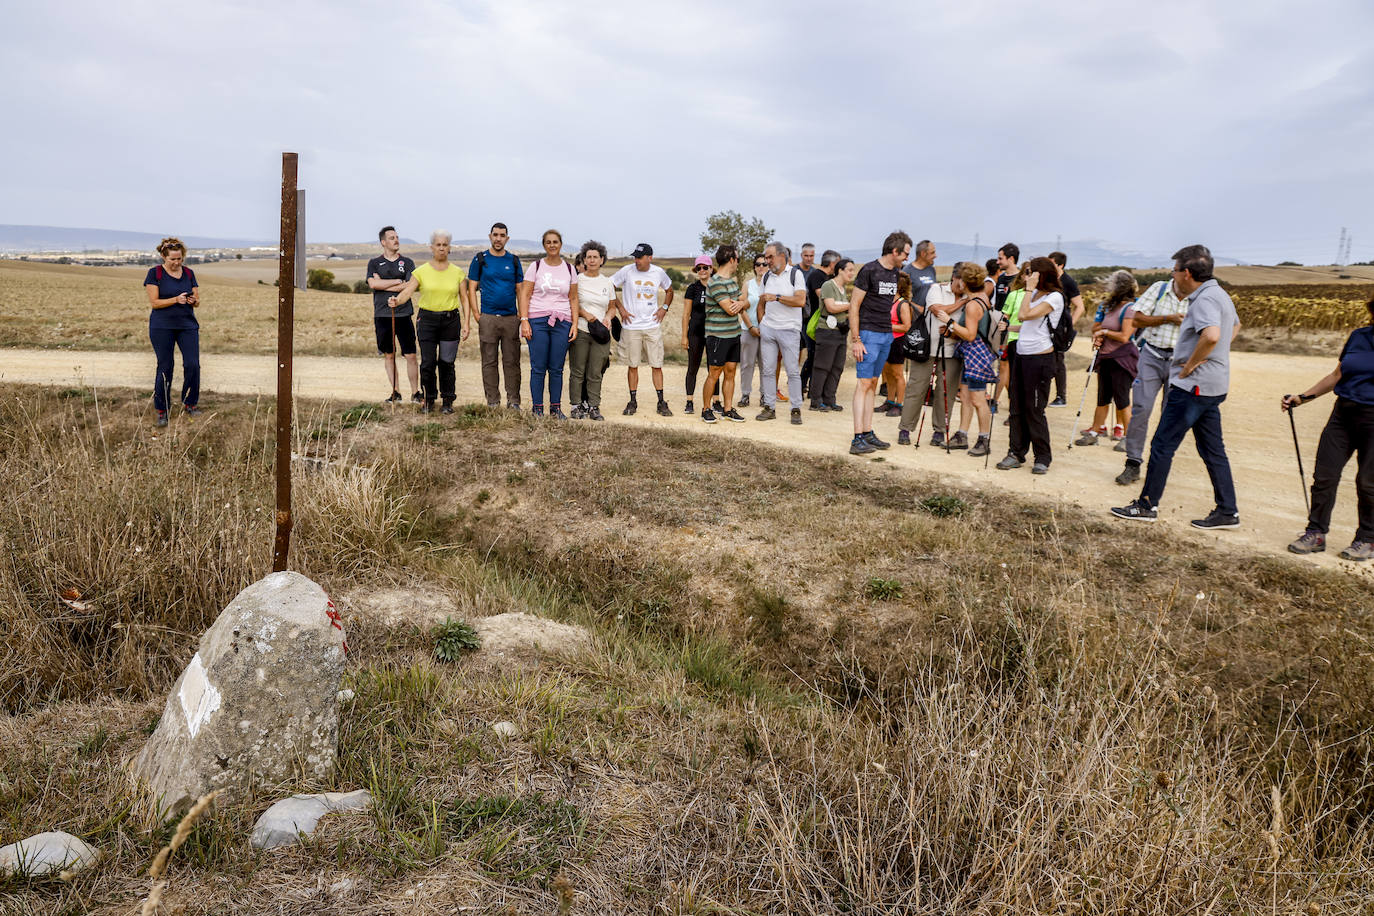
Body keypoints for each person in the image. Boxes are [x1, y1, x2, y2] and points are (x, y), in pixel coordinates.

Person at [1111, 245, 1241, 528]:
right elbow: (1235, 328)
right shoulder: (1220, 295)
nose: (1172, 274)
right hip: (1212, 386)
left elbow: (1212, 334)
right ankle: (1228, 511)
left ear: (1186, 273)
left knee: (1162, 445)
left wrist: (1193, 363)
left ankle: (1147, 505)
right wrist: (1215, 357)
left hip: (1193, 386)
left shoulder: (1203, 299)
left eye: (1175, 269)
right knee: (1212, 449)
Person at [1282, 296, 1374, 561]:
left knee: (1368, 483)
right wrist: (1302, 397)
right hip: (1343, 414)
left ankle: (1367, 539)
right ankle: (1315, 533)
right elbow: (1337, 375)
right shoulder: (1359, 336)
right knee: (1325, 475)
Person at [1114, 271, 1190, 485]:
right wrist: (1168, 318)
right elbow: (1137, 319)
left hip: (1180, 361)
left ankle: (1159, 466)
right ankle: (1133, 463)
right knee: (1141, 408)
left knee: (1170, 415)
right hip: (1152, 354)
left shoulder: (1200, 296)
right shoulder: (1160, 289)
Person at [996, 256, 1063, 474]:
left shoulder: (1055, 298)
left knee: (1034, 409)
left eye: (1031, 272)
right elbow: (1026, 325)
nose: (1026, 277)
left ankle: (1042, 457)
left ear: (1041, 274)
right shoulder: (1032, 294)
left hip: (1040, 359)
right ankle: (1016, 452)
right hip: (1022, 355)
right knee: (1016, 407)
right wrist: (1007, 327)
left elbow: (1025, 315)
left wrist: (1027, 291)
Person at [848, 231, 913, 454]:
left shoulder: (895, 274)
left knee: (873, 383)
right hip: (868, 334)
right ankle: (857, 439)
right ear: (894, 251)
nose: (907, 258)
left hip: (886, 335)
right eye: (905, 253)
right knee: (863, 384)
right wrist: (856, 339)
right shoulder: (869, 270)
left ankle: (867, 432)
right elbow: (854, 306)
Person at [391, 230, 468, 414]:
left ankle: (448, 400)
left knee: (447, 362)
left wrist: (467, 324)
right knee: (427, 362)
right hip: (427, 321)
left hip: (451, 320)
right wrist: (397, 300)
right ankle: (429, 399)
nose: (441, 248)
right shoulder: (421, 272)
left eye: (445, 245)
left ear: (449, 248)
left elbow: (464, 299)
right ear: (432, 247)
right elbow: (407, 292)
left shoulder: (458, 272)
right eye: (438, 245)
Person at [898, 262, 961, 447]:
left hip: (952, 349)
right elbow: (937, 309)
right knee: (916, 388)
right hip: (926, 348)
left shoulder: (970, 296)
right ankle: (905, 428)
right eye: (962, 280)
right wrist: (963, 302)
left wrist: (952, 333)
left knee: (945, 392)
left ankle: (939, 431)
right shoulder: (937, 289)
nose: (964, 285)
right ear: (954, 277)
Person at [517, 229, 578, 418]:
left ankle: (555, 408)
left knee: (557, 368)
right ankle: (537, 409)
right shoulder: (536, 267)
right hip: (537, 320)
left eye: (555, 242)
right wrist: (524, 321)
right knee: (538, 367)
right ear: (544, 245)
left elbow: (573, 298)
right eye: (548, 242)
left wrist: (574, 323)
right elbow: (525, 294)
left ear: (561, 244)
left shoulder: (569, 269)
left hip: (562, 322)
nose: (552, 245)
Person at [1075, 270, 1139, 446]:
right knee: (1103, 397)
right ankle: (1095, 432)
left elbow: (1125, 336)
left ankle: (1129, 438)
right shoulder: (1111, 306)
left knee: (1122, 399)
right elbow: (1098, 327)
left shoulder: (1130, 309)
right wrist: (1100, 335)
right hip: (1106, 357)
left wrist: (1104, 332)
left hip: (1122, 359)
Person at [611, 243, 674, 416]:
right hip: (631, 327)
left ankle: (661, 402)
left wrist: (664, 308)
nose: (636, 261)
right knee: (633, 365)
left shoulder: (658, 272)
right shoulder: (626, 271)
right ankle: (632, 401)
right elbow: (610, 287)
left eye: (640, 257)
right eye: (635, 257)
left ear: (649, 258)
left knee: (657, 365)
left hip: (652, 326)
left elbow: (669, 290)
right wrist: (621, 309)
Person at [143, 237, 201, 427]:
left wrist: (193, 301)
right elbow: (155, 303)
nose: (177, 263)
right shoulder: (155, 273)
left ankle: (190, 403)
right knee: (165, 367)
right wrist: (176, 300)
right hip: (162, 326)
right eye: (173, 260)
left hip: (187, 325)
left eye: (179, 259)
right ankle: (162, 410)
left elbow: (197, 300)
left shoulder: (189, 273)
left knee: (193, 365)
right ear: (163, 257)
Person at [943, 261, 999, 456]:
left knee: (977, 398)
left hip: (975, 354)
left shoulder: (973, 305)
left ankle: (984, 439)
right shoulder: (983, 297)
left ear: (964, 283)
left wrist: (949, 322)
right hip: (977, 353)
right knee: (966, 396)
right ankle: (962, 435)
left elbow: (970, 335)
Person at [468, 223, 524, 409]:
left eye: (502, 235)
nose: (498, 238)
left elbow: (520, 291)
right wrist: (477, 314)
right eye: (495, 235)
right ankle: (493, 401)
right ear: (490, 236)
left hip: (510, 319)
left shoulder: (514, 261)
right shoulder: (480, 259)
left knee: (512, 361)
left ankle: (513, 401)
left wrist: (522, 317)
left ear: (507, 238)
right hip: (488, 318)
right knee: (489, 361)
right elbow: (471, 288)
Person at [754, 241, 809, 424]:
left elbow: (800, 301)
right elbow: (761, 303)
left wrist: (777, 297)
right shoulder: (767, 277)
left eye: (770, 257)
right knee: (768, 370)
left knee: (792, 371)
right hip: (769, 329)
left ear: (781, 256)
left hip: (789, 329)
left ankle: (795, 409)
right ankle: (769, 407)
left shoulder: (796, 274)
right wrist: (762, 323)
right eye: (765, 257)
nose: (766, 261)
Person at [365, 226, 420, 404]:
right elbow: (373, 285)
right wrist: (398, 281)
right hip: (382, 314)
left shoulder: (408, 262)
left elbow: (412, 284)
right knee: (389, 354)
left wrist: (385, 284)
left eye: (397, 237)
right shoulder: (374, 262)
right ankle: (395, 391)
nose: (396, 240)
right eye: (391, 238)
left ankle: (415, 392)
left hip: (403, 314)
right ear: (383, 242)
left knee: (410, 354)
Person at [699, 244, 749, 423]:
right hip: (717, 336)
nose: (738, 263)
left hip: (733, 334)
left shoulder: (732, 281)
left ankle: (727, 409)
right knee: (714, 373)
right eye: (737, 259)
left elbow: (745, 302)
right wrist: (740, 303)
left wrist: (741, 303)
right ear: (732, 260)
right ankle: (706, 409)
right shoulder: (716, 282)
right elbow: (730, 309)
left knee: (730, 372)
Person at [568, 240, 616, 421]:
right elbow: (572, 302)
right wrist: (586, 315)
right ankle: (576, 405)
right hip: (580, 329)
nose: (592, 260)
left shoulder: (607, 283)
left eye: (596, 257)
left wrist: (608, 318)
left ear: (602, 259)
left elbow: (612, 307)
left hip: (601, 332)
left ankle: (593, 406)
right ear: (584, 259)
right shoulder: (577, 280)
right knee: (578, 370)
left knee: (595, 371)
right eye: (589, 257)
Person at [810, 257, 854, 412]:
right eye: (849, 270)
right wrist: (851, 305)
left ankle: (830, 399)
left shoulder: (843, 290)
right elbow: (831, 307)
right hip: (827, 331)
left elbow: (839, 307)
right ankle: (816, 400)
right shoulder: (828, 285)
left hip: (840, 331)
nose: (851, 273)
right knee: (822, 366)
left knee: (836, 367)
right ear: (840, 270)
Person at [1047, 251, 1085, 407]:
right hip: (1047, 325)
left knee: (1058, 361)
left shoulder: (1067, 281)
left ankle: (1061, 396)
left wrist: (1069, 326)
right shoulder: (1049, 280)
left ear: (1060, 265)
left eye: (1051, 263)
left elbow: (1080, 306)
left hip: (1061, 328)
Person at [801, 247, 838, 398]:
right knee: (813, 356)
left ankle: (814, 389)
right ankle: (802, 385)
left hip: (825, 324)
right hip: (813, 323)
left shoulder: (829, 278)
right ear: (832, 263)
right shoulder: (817, 275)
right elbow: (823, 296)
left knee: (819, 357)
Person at [682, 255, 716, 413]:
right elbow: (686, 314)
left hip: (714, 333)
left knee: (714, 368)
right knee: (692, 367)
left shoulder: (717, 286)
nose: (702, 270)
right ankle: (689, 401)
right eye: (699, 268)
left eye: (705, 267)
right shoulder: (692, 288)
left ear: (711, 269)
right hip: (695, 333)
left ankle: (716, 401)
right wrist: (684, 336)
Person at [990, 243, 1021, 412]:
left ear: (1011, 259)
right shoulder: (1001, 279)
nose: (998, 261)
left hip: (1015, 331)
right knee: (1003, 367)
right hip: (1000, 329)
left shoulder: (1021, 279)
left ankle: (1006, 404)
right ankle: (1005, 404)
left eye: (1000, 258)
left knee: (1010, 369)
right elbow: (997, 305)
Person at [878, 274, 914, 418]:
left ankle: (899, 404)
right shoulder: (889, 301)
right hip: (886, 341)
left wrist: (887, 326)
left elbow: (906, 327)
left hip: (897, 342)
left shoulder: (903, 304)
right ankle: (890, 401)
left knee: (898, 374)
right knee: (888, 373)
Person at [737, 254, 768, 407]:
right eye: (758, 264)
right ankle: (745, 394)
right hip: (749, 329)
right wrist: (750, 327)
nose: (761, 267)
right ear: (754, 267)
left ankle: (764, 395)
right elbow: (741, 308)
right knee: (747, 364)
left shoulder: (772, 285)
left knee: (766, 365)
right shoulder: (748, 285)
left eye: (764, 264)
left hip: (767, 331)